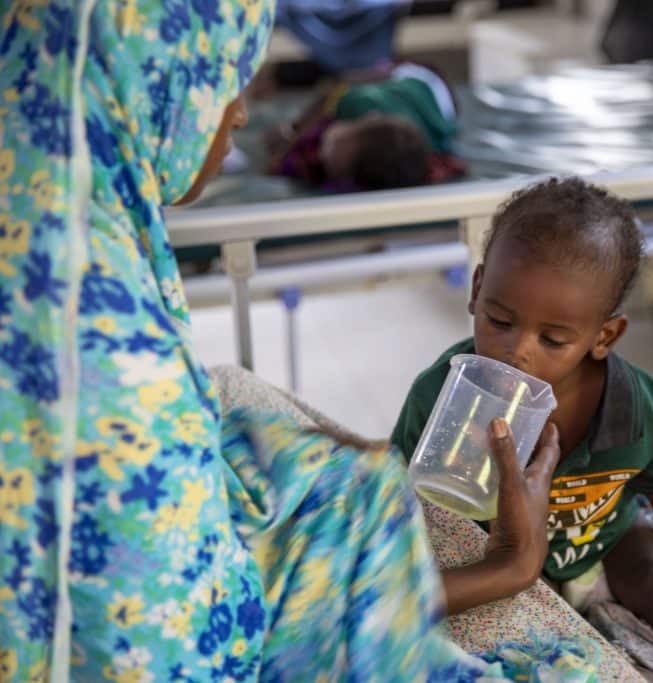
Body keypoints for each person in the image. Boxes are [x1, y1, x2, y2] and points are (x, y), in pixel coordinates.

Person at [0, 3, 588, 681]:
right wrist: (508, 566)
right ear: (153, 77)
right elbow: (183, 651)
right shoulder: (104, 354)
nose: (241, 112)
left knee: (332, 473)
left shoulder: (51, 200)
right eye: (227, 78)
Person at [392, 177, 653, 682]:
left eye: (553, 339)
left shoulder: (638, 405)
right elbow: (394, 496)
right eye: (500, 320)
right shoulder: (444, 394)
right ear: (477, 290)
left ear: (603, 336)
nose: (517, 350)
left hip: (603, 540)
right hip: (493, 561)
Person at [265, 62, 463, 190]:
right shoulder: (360, 103)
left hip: (432, 93)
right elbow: (340, 86)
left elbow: (339, 86)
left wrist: (293, 131)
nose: (323, 152)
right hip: (421, 78)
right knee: (372, 73)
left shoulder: (357, 104)